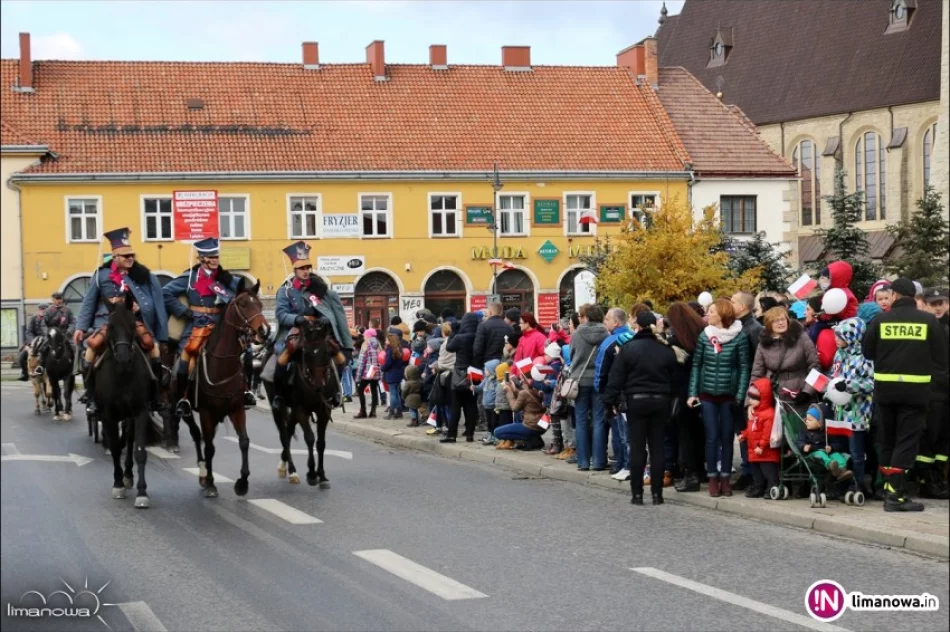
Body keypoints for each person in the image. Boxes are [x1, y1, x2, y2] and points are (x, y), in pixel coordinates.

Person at [863, 277, 949, 512]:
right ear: (914, 297)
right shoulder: (929, 321)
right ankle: (896, 496)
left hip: (885, 392)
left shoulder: (880, 320)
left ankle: (889, 492)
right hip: (917, 393)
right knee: (907, 441)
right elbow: (941, 360)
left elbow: (867, 352)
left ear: (894, 296)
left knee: (888, 440)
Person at [74, 227, 169, 413]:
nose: (130, 258)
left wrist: (140, 308)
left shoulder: (142, 276)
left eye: (132, 255)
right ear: (115, 256)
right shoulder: (101, 276)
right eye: (125, 256)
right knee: (91, 350)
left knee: (153, 348)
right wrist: (80, 327)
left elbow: (153, 304)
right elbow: (88, 303)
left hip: (133, 322)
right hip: (106, 322)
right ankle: (91, 396)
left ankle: (155, 395)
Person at [161, 237, 254, 417]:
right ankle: (183, 398)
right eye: (211, 257)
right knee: (186, 359)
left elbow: (243, 295)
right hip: (197, 323)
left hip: (222, 324)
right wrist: (183, 311)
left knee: (246, 352)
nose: (215, 260)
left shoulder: (227, 279)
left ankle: (246, 390)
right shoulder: (189, 278)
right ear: (201, 259)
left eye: (216, 256)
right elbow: (166, 292)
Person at [266, 241, 353, 413]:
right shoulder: (285, 291)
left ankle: (336, 392)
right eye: (302, 268)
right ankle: (279, 395)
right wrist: (297, 319)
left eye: (308, 267)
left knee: (339, 356)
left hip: (318, 333)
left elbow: (329, 312)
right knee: (283, 358)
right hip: (296, 332)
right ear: (295, 270)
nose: (306, 271)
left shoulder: (319, 289)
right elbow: (281, 315)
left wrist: (326, 320)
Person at [603, 311, 678, 506]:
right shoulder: (666, 349)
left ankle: (637, 494)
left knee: (637, 448)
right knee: (657, 448)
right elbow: (675, 380)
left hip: (636, 402)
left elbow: (615, 379)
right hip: (661, 402)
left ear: (637, 326)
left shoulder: (628, 349)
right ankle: (657, 494)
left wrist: (609, 402)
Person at [687, 298, 750, 498]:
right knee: (712, 437)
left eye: (712, 311)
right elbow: (696, 365)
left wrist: (739, 395)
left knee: (726, 437)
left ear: (722, 315)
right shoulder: (705, 337)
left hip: (729, 397)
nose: (708, 315)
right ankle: (713, 477)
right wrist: (692, 393)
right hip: (707, 395)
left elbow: (743, 368)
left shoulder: (739, 337)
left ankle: (725, 478)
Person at [829, 317, 875, 498]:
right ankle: (842, 482)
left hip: (857, 413)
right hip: (838, 412)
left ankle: (858, 484)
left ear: (852, 336)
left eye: (840, 336)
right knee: (841, 450)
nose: (836, 339)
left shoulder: (866, 356)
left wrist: (849, 386)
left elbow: (871, 383)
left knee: (857, 451)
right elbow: (833, 375)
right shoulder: (839, 354)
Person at [665, 302, 706, 492]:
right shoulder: (700, 335)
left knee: (684, 434)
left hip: (680, 392)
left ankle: (689, 474)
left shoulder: (674, 341)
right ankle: (700, 470)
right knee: (698, 433)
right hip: (700, 390)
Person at [564, 304, 609, 471]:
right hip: (598, 380)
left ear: (587, 317)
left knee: (581, 421)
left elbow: (573, 354)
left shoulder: (576, 334)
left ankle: (583, 461)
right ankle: (599, 462)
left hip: (579, 380)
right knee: (599, 420)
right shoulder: (606, 333)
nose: (580, 319)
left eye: (582, 316)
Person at [917, 287, 950, 499]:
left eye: (942, 303)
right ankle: (926, 480)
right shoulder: (922, 327)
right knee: (929, 436)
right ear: (925, 305)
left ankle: (938, 477)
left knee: (944, 438)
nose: (938, 307)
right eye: (933, 304)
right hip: (930, 389)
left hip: (946, 391)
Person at [731, 290, 764, 491]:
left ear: (743, 306)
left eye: (734, 301)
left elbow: (757, 361)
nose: (731, 304)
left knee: (751, 431)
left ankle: (753, 472)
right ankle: (747, 469)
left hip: (750, 388)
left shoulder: (753, 329)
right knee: (743, 432)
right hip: (739, 387)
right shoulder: (737, 327)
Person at [751, 307, 819, 407]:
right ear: (769, 324)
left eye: (782, 319)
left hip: (801, 395)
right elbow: (757, 373)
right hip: (775, 397)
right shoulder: (763, 344)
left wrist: (807, 392)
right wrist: (752, 399)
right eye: (775, 321)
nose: (780, 323)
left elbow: (815, 366)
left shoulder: (801, 337)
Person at [595, 308, 633, 480]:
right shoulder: (633, 336)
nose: (605, 322)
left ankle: (622, 464)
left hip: (615, 393)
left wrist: (602, 392)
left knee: (620, 432)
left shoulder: (610, 342)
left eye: (608, 319)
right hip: (632, 391)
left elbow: (601, 370)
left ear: (616, 322)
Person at [441, 312, 480, 443]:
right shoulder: (479, 336)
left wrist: (454, 333)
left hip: (459, 373)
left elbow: (449, 348)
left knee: (455, 405)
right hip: (475, 373)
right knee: (471, 404)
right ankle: (470, 434)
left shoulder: (460, 337)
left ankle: (452, 434)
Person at [738, 378, 780, 498]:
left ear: (763, 398)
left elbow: (767, 433)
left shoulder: (768, 414)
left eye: (753, 398)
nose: (750, 401)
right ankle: (758, 487)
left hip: (765, 451)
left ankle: (771, 487)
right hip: (754, 450)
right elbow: (751, 429)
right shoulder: (754, 412)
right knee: (757, 473)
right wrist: (744, 434)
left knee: (768, 471)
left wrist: (762, 446)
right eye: (750, 398)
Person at [797, 405, 853, 482]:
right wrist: (803, 446)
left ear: (819, 423)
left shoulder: (827, 431)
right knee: (821, 454)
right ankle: (831, 465)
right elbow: (800, 441)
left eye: (810, 420)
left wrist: (831, 447)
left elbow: (837, 443)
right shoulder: (805, 431)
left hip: (828, 452)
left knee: (837, 455)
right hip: (814, 453)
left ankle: (842, 470)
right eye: (806, 419)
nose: (806, 421)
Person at [494, 372, 547, 450]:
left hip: (530, 426)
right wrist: (514, 390)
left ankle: (529, 439)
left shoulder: (524, 393)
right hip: (542, 425)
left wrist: (509, 392)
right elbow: (527, 398)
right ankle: (535, 439)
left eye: (521, 378)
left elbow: (515, 408)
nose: (520, 380)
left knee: (497, 432)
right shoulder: (539, 388)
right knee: (519, 419)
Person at [355, 328, 382, 418]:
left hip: (367, 372)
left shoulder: (366, 345)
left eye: (365, 335)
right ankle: (373, 412)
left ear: (368, 336)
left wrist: (358, 377)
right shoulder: (378, 345)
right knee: (374, 390)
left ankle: (363, 411)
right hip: (376, 371)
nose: (364, 337)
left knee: (360, 390)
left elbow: (361, 362)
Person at [18, 304, 47, 381]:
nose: (42, 311)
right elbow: (29, 332)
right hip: (33, 343)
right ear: (39, 310)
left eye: (44, 309)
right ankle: (25, 374)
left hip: (45, 342)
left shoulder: (49, 319)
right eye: (41, 309)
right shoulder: (33, 319)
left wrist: (43, 340)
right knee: (21, 358)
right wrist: (33, 342)